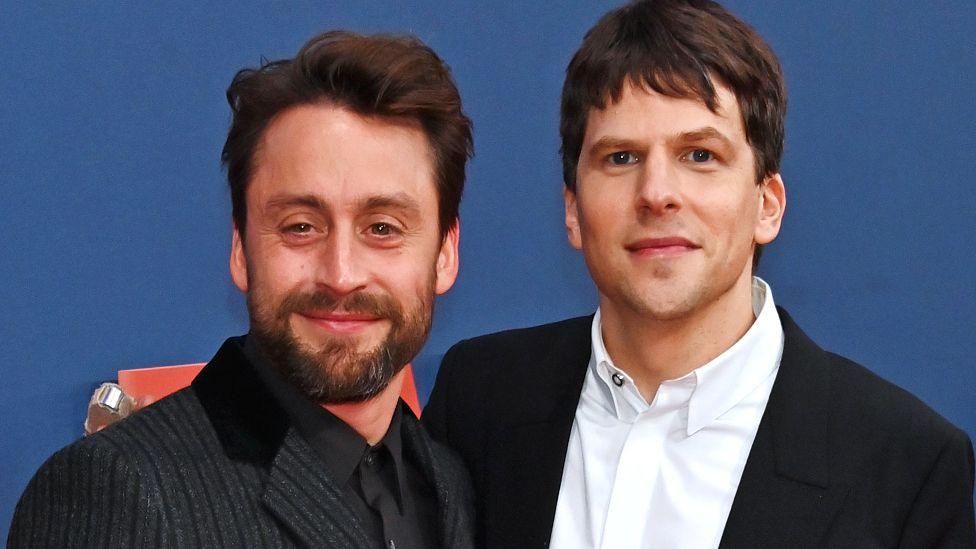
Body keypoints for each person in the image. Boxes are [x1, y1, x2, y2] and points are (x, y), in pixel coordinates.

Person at [423, 1, 976, 548]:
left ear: (768, 205)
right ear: (573, 211)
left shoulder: (906, 467)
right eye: (620, 158)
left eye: (700, 155)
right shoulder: (480, 401)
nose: (658, 193)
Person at [10, 30, 475, 549]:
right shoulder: (120, 490)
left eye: (383, 228)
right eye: (301, 226)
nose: (341, 274)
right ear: (240, 250)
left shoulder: (450, 483)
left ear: (444, 254)